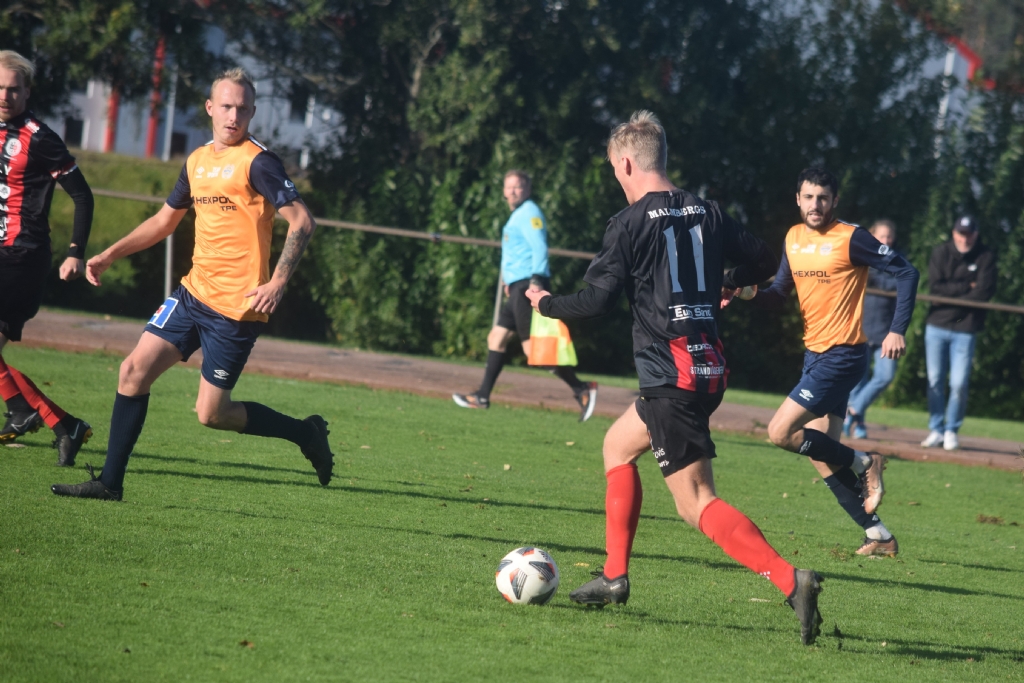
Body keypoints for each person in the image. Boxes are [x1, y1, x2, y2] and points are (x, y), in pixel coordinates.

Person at [526, 111, 825, 645]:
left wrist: (546, 303)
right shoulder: (707, 211)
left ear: (626, 163)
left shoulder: (628, 223)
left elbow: (596, 302)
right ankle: (614, 577)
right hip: (707, 367)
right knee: (617, 447)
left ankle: (790, 579)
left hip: (672, 377)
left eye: (614, 171)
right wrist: (730, 282)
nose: (616, 179)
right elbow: (764, 260)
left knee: (697, 503)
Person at [51, 68, 333, 501]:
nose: (234, 116)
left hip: (236, 308)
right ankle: (109, 482)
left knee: (212, 414)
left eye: (243, 109)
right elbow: (165, 221)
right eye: (227, 106)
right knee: (132, 371)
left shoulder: (258, 163)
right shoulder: (197, 161)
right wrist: (110, 254)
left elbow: (303, 221)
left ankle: (305, 433)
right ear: (210, 108)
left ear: (252, 112)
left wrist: (278, 280)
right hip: (193, 293)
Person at [734, 168, 919, 558]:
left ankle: (866, 461)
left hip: (844, 355)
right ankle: (879, 536)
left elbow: (907, 272)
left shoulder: (852, 237)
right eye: (808, 197)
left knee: (780, 432)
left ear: (834, 201)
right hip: (814, 355)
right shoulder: (793, 237)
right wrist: (746, 294)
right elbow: (778, 294)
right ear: (797, 199)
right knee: (820, 453)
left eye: (822, 197)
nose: (815, 204)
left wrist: (896, 330)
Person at [0, 50, 94, 466]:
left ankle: (27, 412)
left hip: (23, 257)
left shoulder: (40, 137)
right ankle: (62, 424)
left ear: (27, 92)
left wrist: (76, 253)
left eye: (13, 89)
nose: (5, 96)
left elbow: (83, 196)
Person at [452, 170, 597, 421]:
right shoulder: (517, 215)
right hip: (517, 287)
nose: (512, 191)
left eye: (518, 187)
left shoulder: (530, 212)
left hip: (527, 287)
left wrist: (536, 280)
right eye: (508, 187)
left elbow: (539, 246)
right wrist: (507, 281)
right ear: (503, 191)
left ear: (527, 190)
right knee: (496, 338)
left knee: (534, 351)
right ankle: (482, 397)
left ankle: (582, 388)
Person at [920, 215, 996, 451]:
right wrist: (966, 286)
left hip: (966, 328)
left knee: (959, 383)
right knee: (934, 380)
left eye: (969, 234)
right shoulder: (940, 253)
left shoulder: (985, 256)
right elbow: (935, 288)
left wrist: (952, 295)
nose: (965, 239)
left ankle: (951, 429)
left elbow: (983, 292)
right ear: (954, 233)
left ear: (976, 234)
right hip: (937, 325)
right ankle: (936, 428)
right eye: (961, 234)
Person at [843, 220, 900, 439]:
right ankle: (859, 425)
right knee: (858, 380)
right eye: (882, 236)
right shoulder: (862, 259)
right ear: (873, 236)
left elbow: (901, 283)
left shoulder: (897, 261)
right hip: (860, 329)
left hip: (886, 333)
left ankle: (853, 411)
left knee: (886, 376)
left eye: (889, 236)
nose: (886, 240)